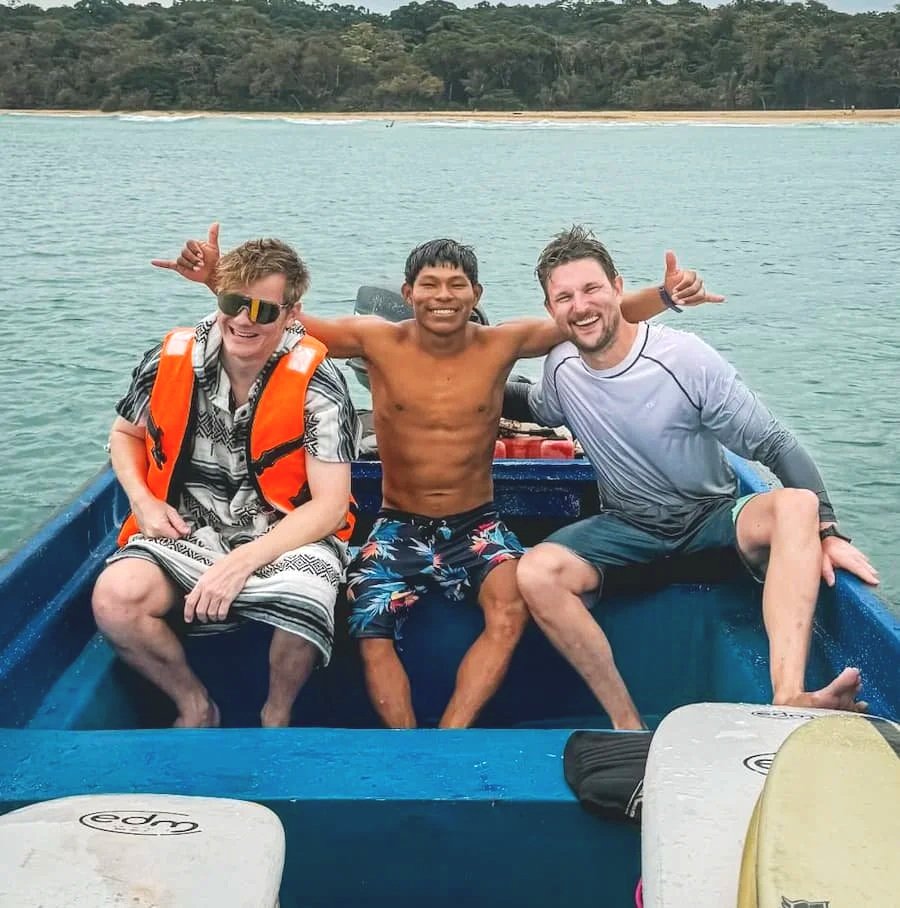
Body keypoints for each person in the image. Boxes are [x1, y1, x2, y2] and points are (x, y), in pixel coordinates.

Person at [153, 224, 722, 728]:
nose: (442, 296)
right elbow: (287, 322)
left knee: (511, 607)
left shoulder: (505, 344)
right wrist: (215, 284)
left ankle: (451, 735)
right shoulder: (377, 340)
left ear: (476, 295)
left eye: (456, 285)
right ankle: (406, 746)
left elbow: (592, 317)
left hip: (479, 527)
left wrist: (667, 296)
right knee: (367, 624)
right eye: (429, 284)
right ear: (408, 294)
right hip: (398, 526)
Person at [505, 225, 880, 730]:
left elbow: (776, 445)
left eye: (591, 289)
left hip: (712, 522)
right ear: (552, 310)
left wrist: (827, 532)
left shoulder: (685, 359)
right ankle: (627, 726)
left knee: (797, 506)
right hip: (628, 530)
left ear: (618, 288)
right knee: (533, 572)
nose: (581, 306)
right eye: (564, 297)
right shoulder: (561, 367)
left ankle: (789, 694)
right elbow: (537, 406)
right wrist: (456, 379)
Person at [92, 238, 360, 728]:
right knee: (115, 598)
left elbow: (329, 506)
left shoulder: (319, 383)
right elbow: (124, 435)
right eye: (232, 303)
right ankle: (194, 704)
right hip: (186, 524)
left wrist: (242, 562)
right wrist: (145, 502)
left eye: (262, 309)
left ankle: (276, 711)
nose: (243, 320)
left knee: (307, 598)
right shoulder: (170, 356)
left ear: (292, 313)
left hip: (284, 531)